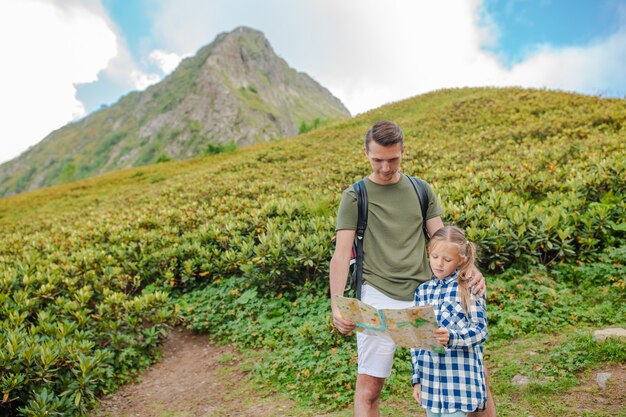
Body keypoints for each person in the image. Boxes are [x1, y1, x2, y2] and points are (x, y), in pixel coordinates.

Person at [329, 120, 494, 417]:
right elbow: (341, 255)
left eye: (393, 159)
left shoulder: (421, 190)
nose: (385, 167)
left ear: (403, 151)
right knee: (369, 388)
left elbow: (444, 243)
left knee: (472, 374)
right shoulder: (355, 196)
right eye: (377, 159)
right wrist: (337, 305)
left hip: (428, 293)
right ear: (366, 153)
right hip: (378, 296)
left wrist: (470, 268)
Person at [411, 225, 487, 417]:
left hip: (459, 383)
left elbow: (480, 330)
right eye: (435, 257)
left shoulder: (470, 286)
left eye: (447, 259)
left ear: (461, 259)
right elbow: (417, 341)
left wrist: (452, 338)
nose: (439, 264)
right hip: (431, 384)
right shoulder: (422, 292)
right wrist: (417, 380)